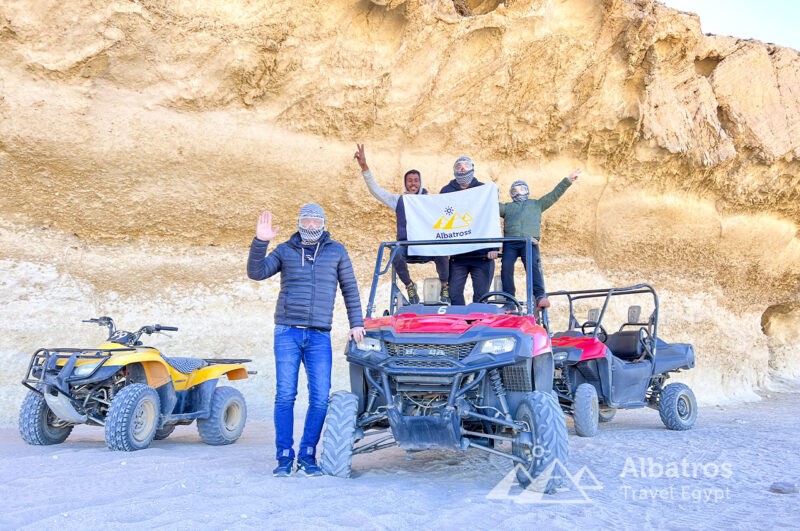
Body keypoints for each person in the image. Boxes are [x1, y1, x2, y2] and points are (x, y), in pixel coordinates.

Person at [247, 204, 366, 478]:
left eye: (316, 221)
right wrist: (260, 242)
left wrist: (356, 323)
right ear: (299, 222)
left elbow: (350, 288)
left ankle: (308, 454)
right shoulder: (285, 250)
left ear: (323, 224)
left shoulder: (337, 251)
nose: (311, 225)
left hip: (319, 335)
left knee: (320, 398)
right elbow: (257, 272)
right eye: (306, 220)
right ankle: (284, 457)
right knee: (286, 395)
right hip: (287, 332)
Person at [354, 144, 450, 304]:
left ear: (421, 182)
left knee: (442, 248)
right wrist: (364, 167)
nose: (413, 184)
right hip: (407, 246)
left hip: (427, 245)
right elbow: (376, 191)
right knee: (396, 251)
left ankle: (444, 286)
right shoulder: (399, 200)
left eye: (416, 181)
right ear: (405, 183)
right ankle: (410, 286)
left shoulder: (430, 200)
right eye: (410, 181)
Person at [499, 169, 580, 309]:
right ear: (511, 193)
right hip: (510, 243)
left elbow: (554, 195)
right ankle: (509, 301)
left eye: (522, 189)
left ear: (527, 191)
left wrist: (568, 181)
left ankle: (540, 296)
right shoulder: (507, 207)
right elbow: (491, 207)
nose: (519, 192)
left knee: (533, 267)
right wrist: (486, 194)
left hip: (529, 242)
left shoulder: (536, 204)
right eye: (515, 190)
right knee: (506, 268)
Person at [440, 156, 499, 306]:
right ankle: (462, 325)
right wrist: (442, 249)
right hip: (457, 256)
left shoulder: (483, 190)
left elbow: (491, 218)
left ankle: (475, 326)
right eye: (459, 167)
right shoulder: (446, 191)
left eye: (466, 166)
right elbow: (439, 219)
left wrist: (494, 247)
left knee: (481, 297)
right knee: (453, 294)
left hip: (482, 255)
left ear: (472, 168)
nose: (462, 169)